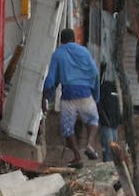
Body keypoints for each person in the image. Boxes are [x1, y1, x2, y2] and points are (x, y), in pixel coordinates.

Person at [43, 28, 101, 167]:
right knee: (93, 119)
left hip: (68, 95)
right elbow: (95, 73)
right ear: (74, 39)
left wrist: (46, 98)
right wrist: (96, 95)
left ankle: (77, 156)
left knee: (67, 128)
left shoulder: (58, 54)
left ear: (61, 40)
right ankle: (89, 145)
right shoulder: (85, 52)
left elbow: (51, 80)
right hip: (85, 93)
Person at [95, 77, 121, 163]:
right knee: (108, 149)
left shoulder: (116, 90)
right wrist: (105, 121)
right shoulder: (105, 88)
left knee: (113, 150)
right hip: (107, 124)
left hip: (114, 124)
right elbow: (100, 106)